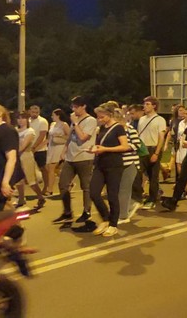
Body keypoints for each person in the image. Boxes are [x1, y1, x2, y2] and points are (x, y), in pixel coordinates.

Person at [53, 96, 98, 225]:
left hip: (84, 157)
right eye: (72, 107)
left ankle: (86, 212)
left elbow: (83, 137)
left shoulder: (91, 120)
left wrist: (76, 123)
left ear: (83, 106)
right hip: (70, 158)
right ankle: (67, 212)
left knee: (86, 187)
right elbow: (70, 137)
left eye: (76, 107)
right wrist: (64, 150)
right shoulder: (75, 120)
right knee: (63, 184)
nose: (73, 109)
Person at [89, 102, 130, 238]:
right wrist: (93, 149)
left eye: (102, 117)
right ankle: (105, 218)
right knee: (93, 192)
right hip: (100, 165)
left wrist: (106, 149)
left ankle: (113, 224)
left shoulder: (118, 128)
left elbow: (124, 146)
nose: (99, 119)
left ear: (109, 115)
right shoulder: (101, 128)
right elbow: (99, 145)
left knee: (112, 195)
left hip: (114, 165)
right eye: (98, 117)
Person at [135, 96, 167, 210]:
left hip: (153, 148)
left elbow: (161, 137)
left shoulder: (160, 120)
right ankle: (137, 197)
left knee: (153, 176)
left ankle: (152, 199)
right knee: (137, 174)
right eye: (144, 104)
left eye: (147, 104)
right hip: (142, 149)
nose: (145, 106)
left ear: (154, 106)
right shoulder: (141, 119)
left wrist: (156, 153)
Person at [14, 113, 46, 210]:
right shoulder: (15, 130)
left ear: (27, 119)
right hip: (16, 157)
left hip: (26, 156)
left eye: (23, 118)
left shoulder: (30, 131)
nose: (20, 120)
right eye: (18, 118)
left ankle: (40, 197)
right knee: (18, 180)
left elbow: (23, 146)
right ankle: (21, 199)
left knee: (31, 180)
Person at [0, 104, 19, 212]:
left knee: (1, 210)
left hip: (0, 176)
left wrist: (5, 182)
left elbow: (11, 158)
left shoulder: (7, 131)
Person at [45, 109, 70, 196]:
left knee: (51, 168)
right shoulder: (52, 124)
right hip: (52, 147)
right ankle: (69, 182)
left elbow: (69, 137)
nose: (52, 117)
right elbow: (48, 138)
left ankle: (50, 189)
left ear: (58, 115)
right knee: (52, 168)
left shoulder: (64, 124)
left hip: (60, 147)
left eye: (53, 115)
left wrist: (60, 136)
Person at [27, 105, 49, 197]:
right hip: (28, 149)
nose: (35, 114)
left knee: (43, 168)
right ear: (29, 112)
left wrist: (34, 147)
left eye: (37, 112)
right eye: (33, 112)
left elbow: (42, 135)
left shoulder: (42, 121)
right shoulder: (27, 121)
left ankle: (46, 187)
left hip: (40, 149)